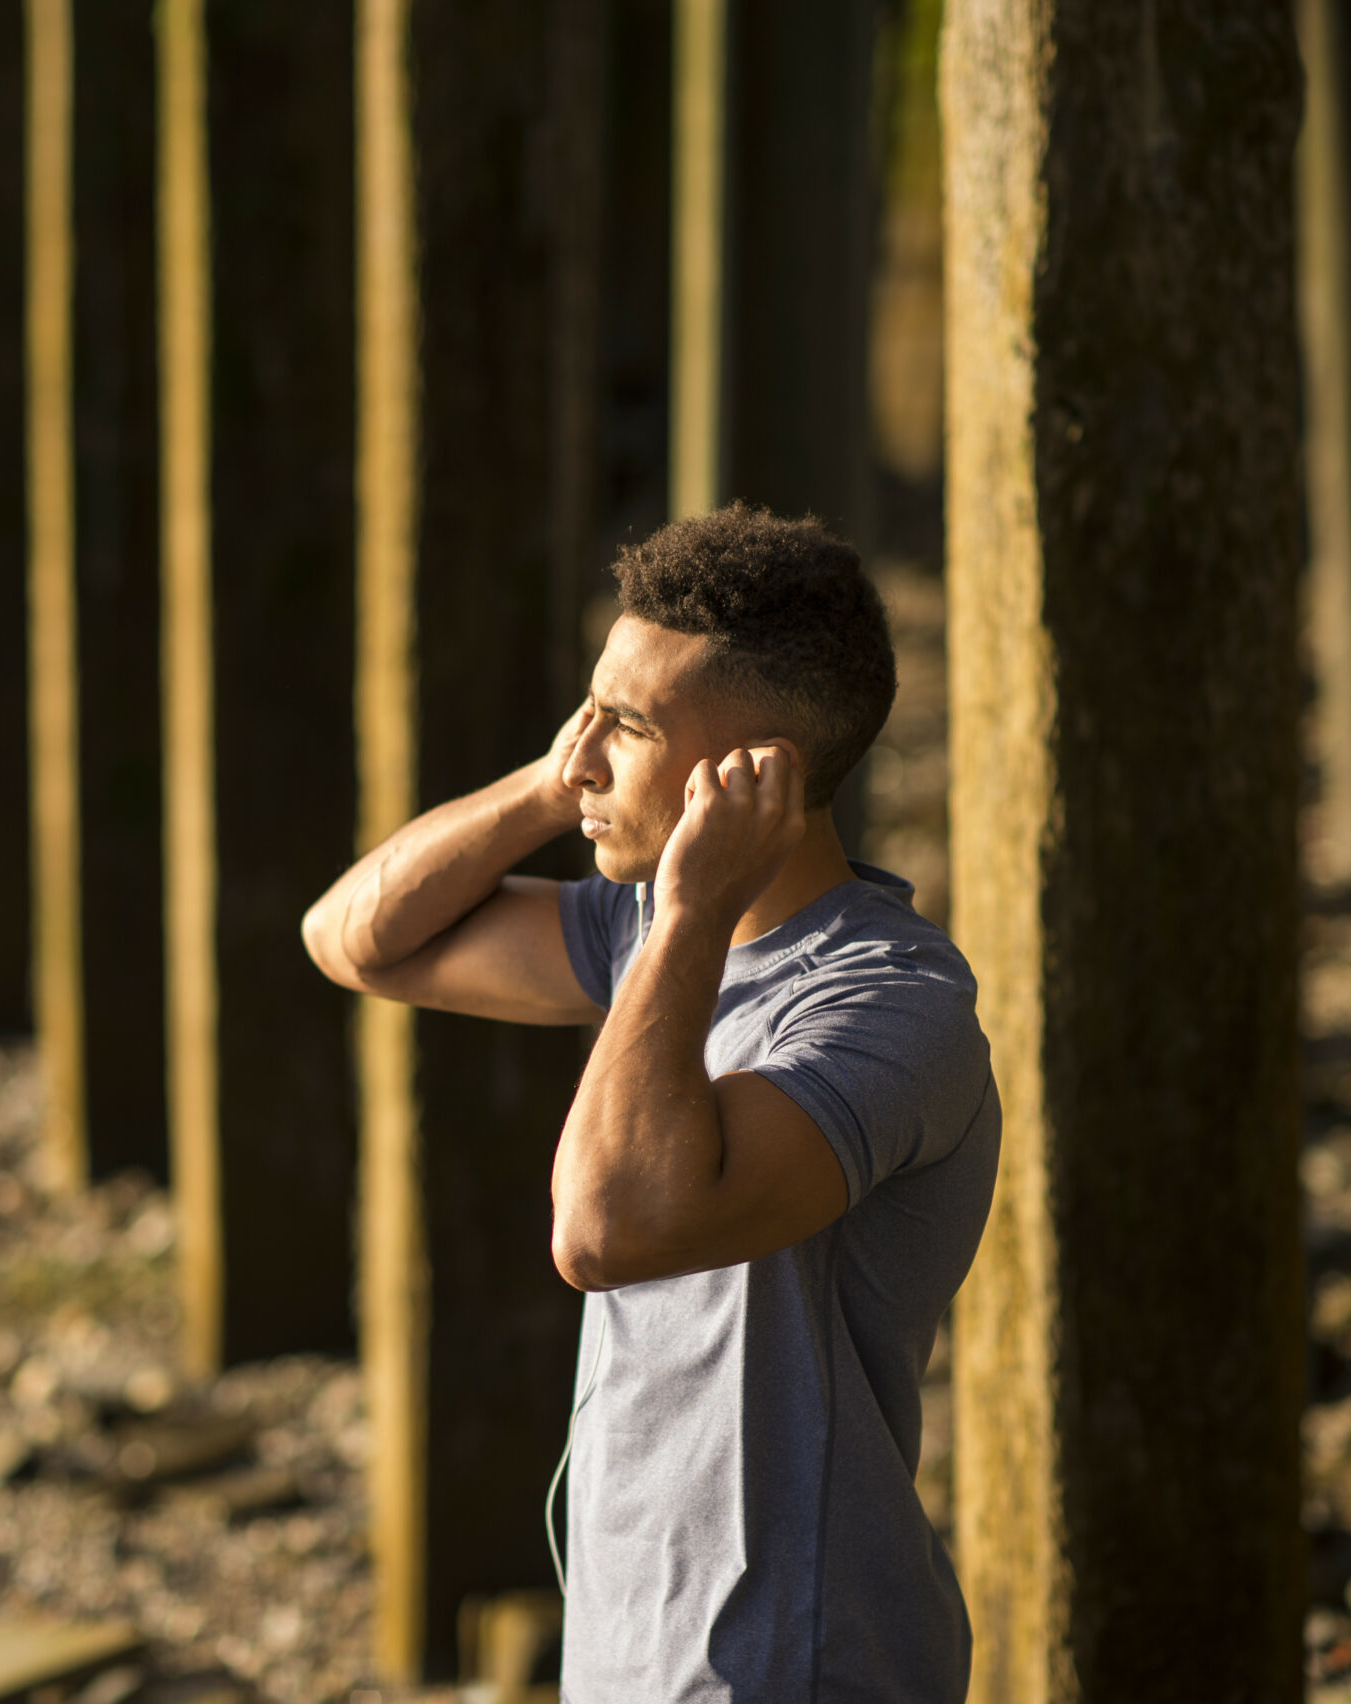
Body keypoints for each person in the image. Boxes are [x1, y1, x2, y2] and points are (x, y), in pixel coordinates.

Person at [300, 505, 999, 1703]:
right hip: (633, 1641)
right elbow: (357, 940)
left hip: (793, 1655)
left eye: (625, 727)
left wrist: (687, 912)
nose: (589, 758)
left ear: (755, 772)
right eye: (591, 713)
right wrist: (544, 785)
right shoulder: (639, 934)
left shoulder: (891, 1008)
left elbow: (606, 1231)